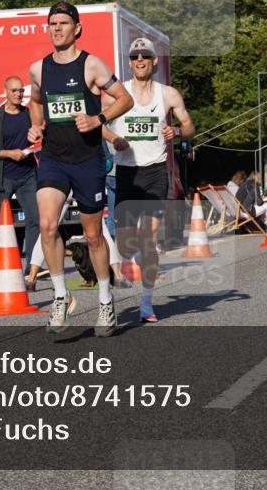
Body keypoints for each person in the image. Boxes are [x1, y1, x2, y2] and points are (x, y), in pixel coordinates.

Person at [28, 2, 134, 336]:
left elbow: (124, 98)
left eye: (62, 23)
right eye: (51, 23)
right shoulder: (39, 69)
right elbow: (35, 101)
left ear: (77, 28)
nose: (56, 28)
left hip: (87, 161)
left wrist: (98, 119)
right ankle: (61, 297)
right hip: (54, 159)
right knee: (47, 225)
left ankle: (105, 301)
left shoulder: (92, 65)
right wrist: (37, 127)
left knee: (92, 236)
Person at [104, 37, 195, 323]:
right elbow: (98, 126)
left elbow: (189, 126)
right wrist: (115, 138)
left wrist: (177, 133)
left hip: (156, 172)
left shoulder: (168, 94)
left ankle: (146, 303)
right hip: (127, 172)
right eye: (134, 57)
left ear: (154, 60)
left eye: (145, 55)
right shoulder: (117, 95)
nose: (139, 60)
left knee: (148, 240)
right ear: (129, 63)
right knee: (126, 244)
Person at [0, 75, 40, 261]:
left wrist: (37, 141)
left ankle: (33, 265)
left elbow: (38, 138)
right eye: (14, 90)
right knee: (0, 222)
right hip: (4, 177)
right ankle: (2, 263)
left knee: (35, 220)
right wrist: (9, 153)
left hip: (28, 176)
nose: (18, 94)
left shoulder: (29, 113)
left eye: (21, 90)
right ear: (5, 91)